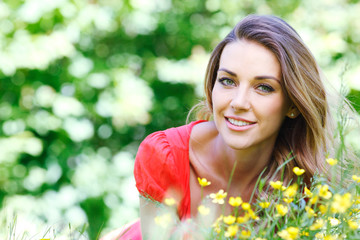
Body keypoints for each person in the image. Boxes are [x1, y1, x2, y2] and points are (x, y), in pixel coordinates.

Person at [102, 14, 352, 240]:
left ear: (293, 104)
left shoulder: (308, 182)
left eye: (263, 87)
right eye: (227, 81)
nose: (239, 102)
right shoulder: (163, 155)